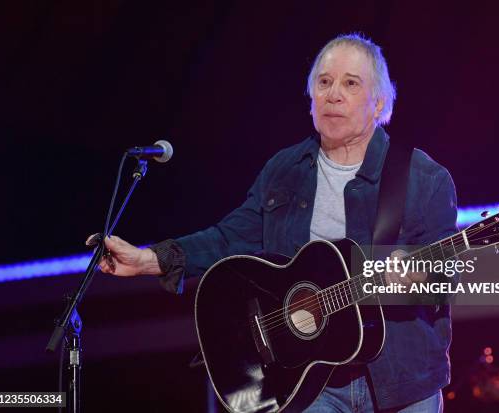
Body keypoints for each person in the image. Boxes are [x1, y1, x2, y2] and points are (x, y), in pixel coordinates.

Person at [91, 34, 456, 413]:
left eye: (351, 83)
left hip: (400, 382)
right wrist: (147, 260)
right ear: (311, 97)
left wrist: (418, 274)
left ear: (378, 102)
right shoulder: (284, 170)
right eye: (324, 82)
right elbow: (229, 239)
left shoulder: (422, 177)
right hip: (305, 380)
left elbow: (449, 270)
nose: (333, 94)